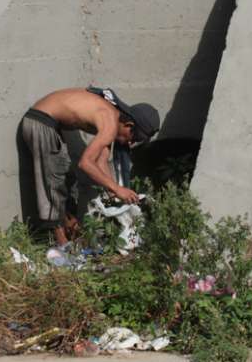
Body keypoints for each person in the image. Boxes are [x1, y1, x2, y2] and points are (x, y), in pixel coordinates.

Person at [21, 86, 160, 246]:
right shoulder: (110, 123)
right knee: (54, 180)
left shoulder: (113, 120)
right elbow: (85, 163)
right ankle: (61, 243)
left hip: (48, 124)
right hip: (40, 122)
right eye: (133, 138)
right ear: (128, 124)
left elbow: (101, 161)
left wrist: (112, 191)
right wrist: (117, 189)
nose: (130, 143)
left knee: (68, 178)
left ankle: (71, 232)